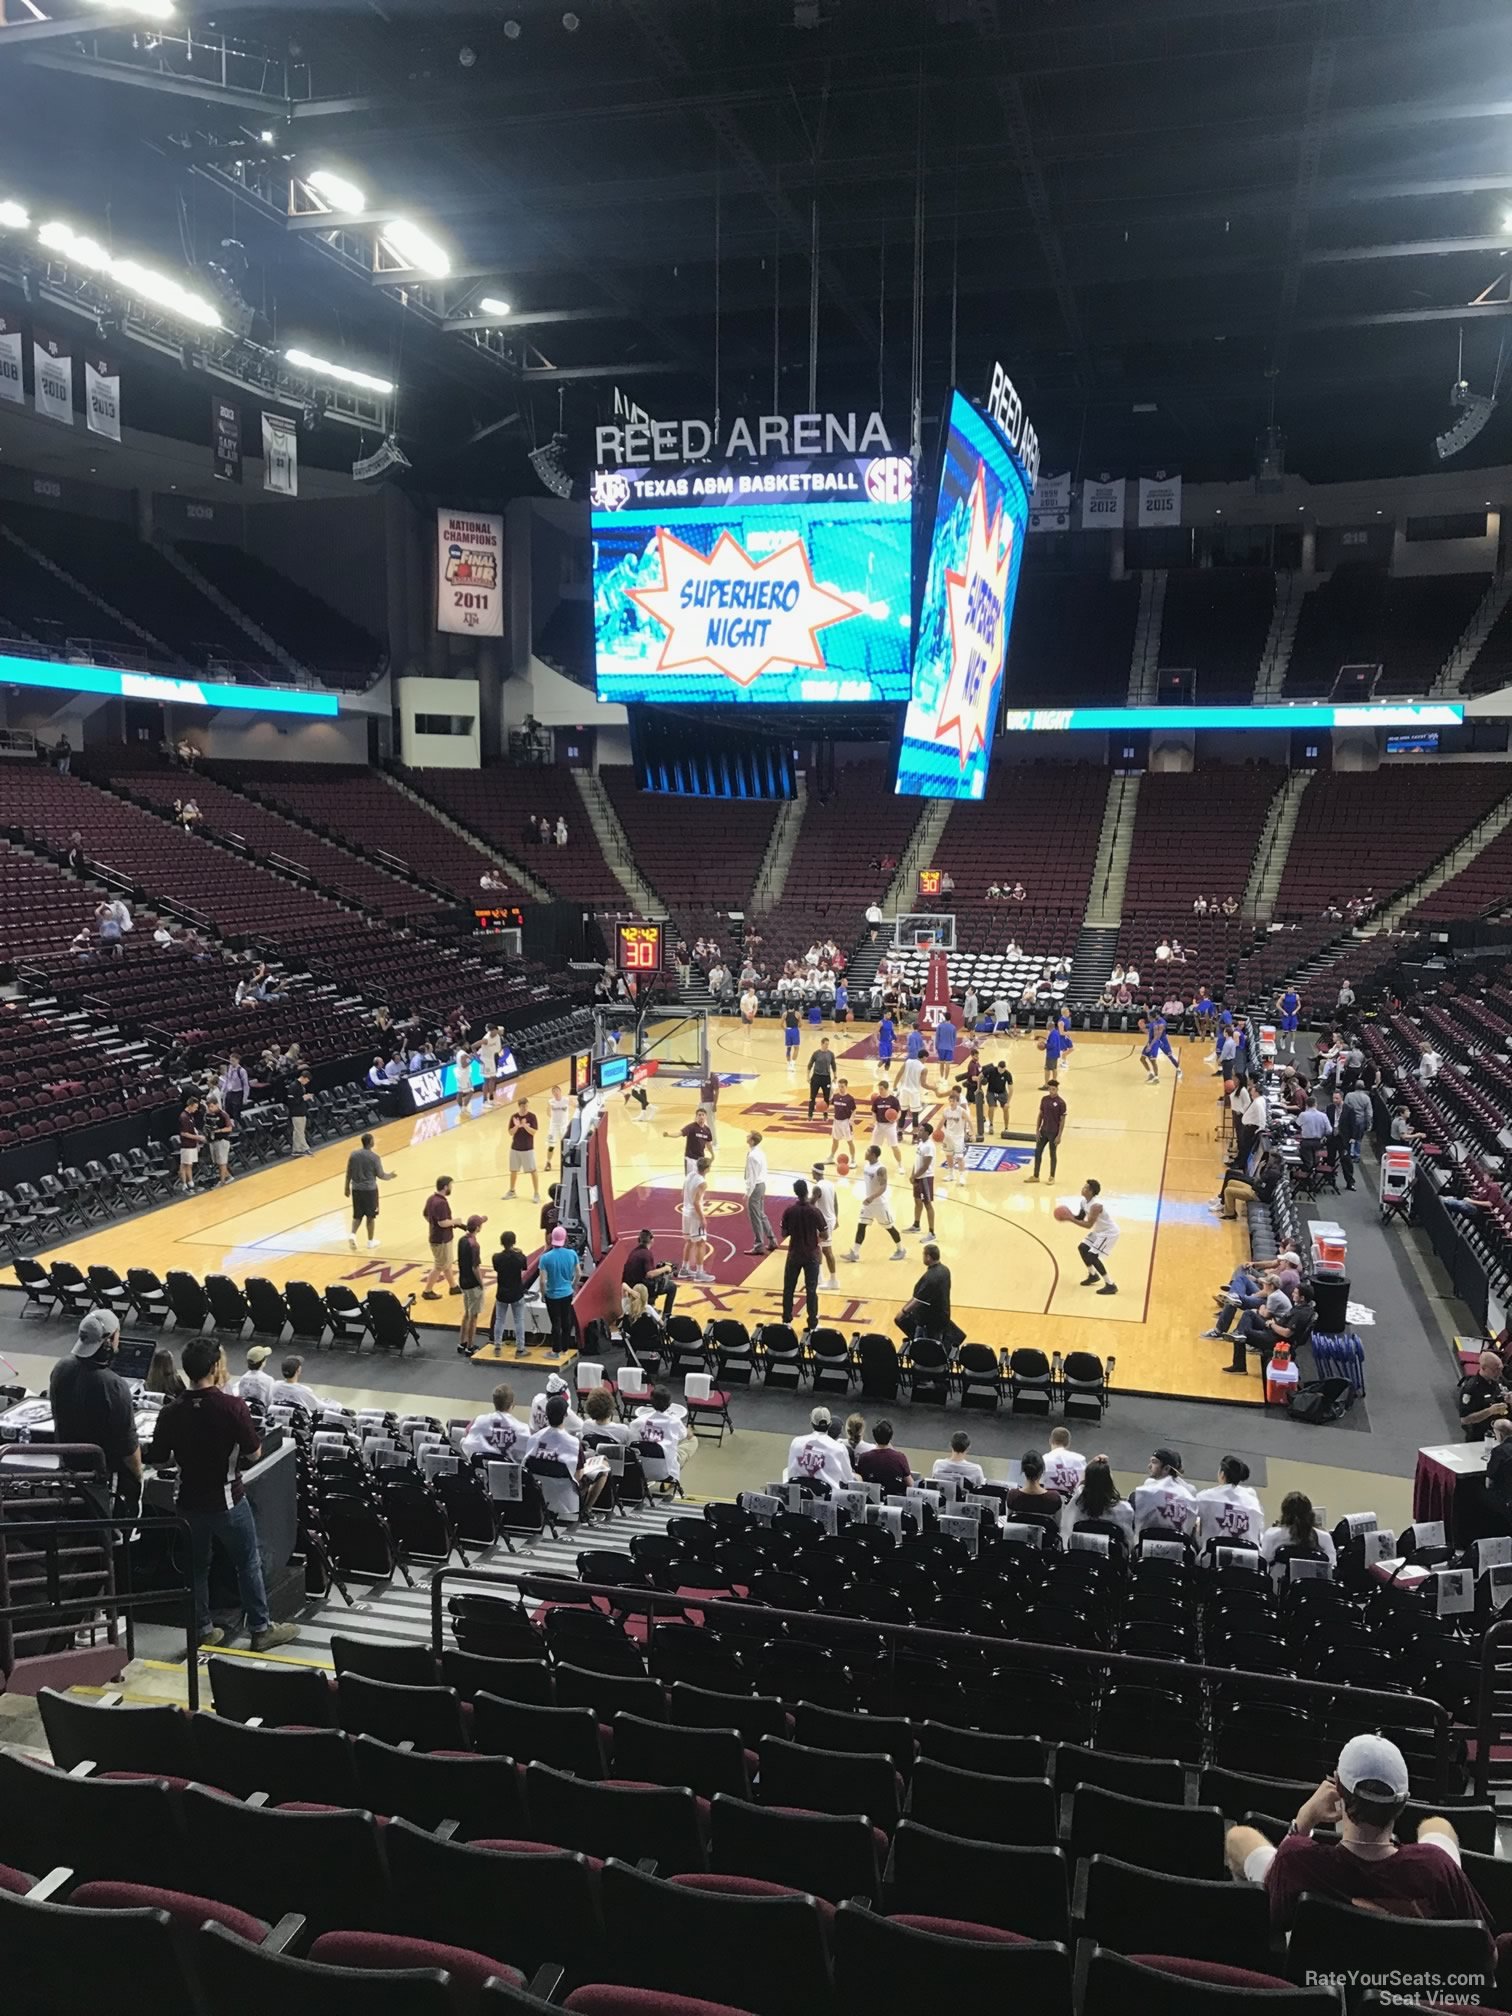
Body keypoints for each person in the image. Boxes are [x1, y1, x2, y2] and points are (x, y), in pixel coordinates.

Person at [1223, 1735, 1484, 1931]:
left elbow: (1272, 1900)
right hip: (1409, 1994)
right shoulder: (1436, 1866)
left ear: (1336, 1785)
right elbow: (1487, 1954)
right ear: (1403, 1803)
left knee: (1239, 1836)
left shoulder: (1296, 1860)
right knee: (1436, 1825)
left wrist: (1303, 1822)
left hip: (1323, 1989)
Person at [149, 1339, 299, 1652]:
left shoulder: (172, 1411)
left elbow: (160, 1457)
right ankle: (260, 1628)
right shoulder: (232, 1407)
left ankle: (204, 1629)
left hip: (188, 1503)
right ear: (216, 1367)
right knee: (247, 1562)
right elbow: (254, 1452)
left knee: (197, 1567)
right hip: (227, 1500)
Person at [49, 1311, 143, 1516]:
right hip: (104, 1482)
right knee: (111, 1538)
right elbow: (129, 1450)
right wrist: (139, 1480)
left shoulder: (60, 1368)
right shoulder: (114, 1385)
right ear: (109, 1341)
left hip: (68, 1474)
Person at [528, 1391, 607, 1519]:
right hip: (565, 1497)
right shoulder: (574, 1443)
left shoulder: (533, 1439)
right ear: (565, 1415)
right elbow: (579, 1475)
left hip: (540, 1492)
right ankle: (586, 1511)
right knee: (603, 1468)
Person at [844, 1145, 907, 1263]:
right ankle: (855, 1253)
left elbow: (883, 1187)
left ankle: (901, 1249)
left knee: (889, 1227)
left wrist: (871, 1197)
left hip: (879, 1204)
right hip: (868, 1203)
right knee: (861, 1225)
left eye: (868, 1151)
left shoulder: (881, 1169)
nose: (865, 1152)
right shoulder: (867, 1165)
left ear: (873, 1155)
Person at [780, 1178, 827, 1329]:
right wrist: (815, 1240)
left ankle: (787, 1320)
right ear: (807, 1191)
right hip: (811, 1255)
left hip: (794, 1254)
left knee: (789, 1288)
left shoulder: (789, 1210)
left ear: (795, 1192)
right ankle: (812, 1323)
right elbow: (825, 1233)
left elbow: (783, 1233)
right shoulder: (814, 1211)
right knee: (811, 1290)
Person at [1195, 1454, 1265, 1550]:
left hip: (1211, 1560)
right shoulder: (1253, 1503)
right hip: (1248, 1560)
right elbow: (1258, 1534)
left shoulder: (1205, 1497)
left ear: (1222, 1474)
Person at [1259, 1490, 1337, 1573]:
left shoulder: (1272, 1535)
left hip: (1281, 1585)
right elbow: (1332, 1567)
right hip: (1315, 1585)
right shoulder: (1324, 1537)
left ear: (1284, 1513)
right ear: (1310, 1513)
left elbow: (1263, 1564)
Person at [1130, 1447, 1198, 1537]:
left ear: (1166, 1468)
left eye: (1154, 1462)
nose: (1149, 1466)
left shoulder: (1187, 1492)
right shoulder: (1188, 1492)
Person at [344, 1132, 395, 1251]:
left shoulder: (354, 1155)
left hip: (356, 1189)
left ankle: (352, 1234)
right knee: (370, 1216)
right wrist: (390, 1176)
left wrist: (346, 1187)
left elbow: (348, 1172)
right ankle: (370, 1241)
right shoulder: (374, 1157)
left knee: (357, 1215)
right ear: (371, 1142)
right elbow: (381, 1175)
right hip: (369, 1190)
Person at [1067, 1458, 1135, 1546]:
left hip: (1082, 1556)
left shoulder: (1078, 1503)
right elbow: (1129, 1541)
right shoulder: (1125, 1509)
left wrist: (1092, 1467)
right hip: (1113, 1557)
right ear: (1109, 1481)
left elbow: (1081, 1487)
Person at [785, 1406, 854, 1488]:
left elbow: (791, 1474)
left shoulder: (796, 1442)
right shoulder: (839, 1448)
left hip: (798, 1496)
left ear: (811, 1423)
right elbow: (848, 1480)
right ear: (830, 1424)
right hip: (827, 1499)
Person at [1072, 1177, 1120, 1296]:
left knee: (1092, 1256)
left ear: (1091, 1191)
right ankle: (1093, 1275)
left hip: (1109, 1232)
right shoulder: (1084, 1202)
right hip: (1099, 1231)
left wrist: (1068, 1219)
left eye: (1086, 1188)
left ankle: (1110, 1285)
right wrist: (1068, 1215)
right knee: (1082, 1248)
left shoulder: (1096, 1206)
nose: (1083, 1188)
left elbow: (1088, 1225)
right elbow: (1080, 1217)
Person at [898, 1240, 951, 1343]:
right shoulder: (945, 1270)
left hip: (929, 1322)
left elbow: (918, 1300)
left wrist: (902, 1312)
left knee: (924, 1345)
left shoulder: (930, 1278)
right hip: (942, 1315)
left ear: (928, 1257)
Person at [538, 1225, 580, 1355]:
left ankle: (556, 1350)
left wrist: (543, 1294)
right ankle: (565, 1348)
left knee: (555, 1322)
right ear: (565, 1239)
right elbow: (578, 1273)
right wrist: (572, 1286)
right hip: (567, 1293)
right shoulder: (572, 1254)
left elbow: (542, 1280)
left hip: (552, 1295)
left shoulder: (545, 1258)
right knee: (566, 1320)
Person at [635, 1384, 694, 1472]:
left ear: (651, 1401)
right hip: (667, 1470)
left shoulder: (637, 1422)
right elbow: (684, 1436)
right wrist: (687, 1431)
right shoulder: (675, 1422)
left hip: (642, 1468)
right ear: (669, 1403)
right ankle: (677, 1469)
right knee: (693, 1440)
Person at [1458, 1348, 1511, 1441]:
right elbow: (1465, 1420)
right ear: (1483, 1368)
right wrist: (1489, 1411)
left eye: (1500, 1369)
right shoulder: (1472, 1388)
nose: (1499, 1373)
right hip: (1482, 1437)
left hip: (1504, 1434)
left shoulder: (1500, 1380)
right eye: (1495, 1370)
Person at [421, 1175, 460, 1300]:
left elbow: (425, 1215)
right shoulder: (441, 1203)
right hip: (441, 1239)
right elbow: (442, 1223)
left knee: (446, 1264)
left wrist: (433, 1225)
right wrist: (455, 1221)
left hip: (437, 1236)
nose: (451, 1188)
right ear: (445, 1187)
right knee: (439, 1266)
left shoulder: (431, 1199)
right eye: (450, 1186)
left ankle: (453, 1286)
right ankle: (427, 1290)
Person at [456, 1214, 489, 1358]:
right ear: (477, 1228)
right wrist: (482, 1284)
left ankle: (461, 1342)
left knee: (466, 1312)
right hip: (472, 1283)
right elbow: (475, 1267)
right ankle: (470, 1346)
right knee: (474, 1316)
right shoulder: (474, 1245)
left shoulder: (462, 1240)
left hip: (463, 1280)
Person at [679, 1154, 714, 1284]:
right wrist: (702, 1218)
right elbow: (696, 1202)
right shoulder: (702, 1182)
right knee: (701, 1242)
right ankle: (699, 1272)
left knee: (689, 1241)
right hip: (694, 1215)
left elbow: (682, 1193)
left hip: (685, 1213)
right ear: (707, 1169)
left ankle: (684, 1269)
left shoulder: (689, 1176)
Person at [809, 1162, 841, 1294]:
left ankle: (833, 1280)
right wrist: (837, 1218)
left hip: (824, 1222)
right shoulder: (830, 1184)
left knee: (827, 1251)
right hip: (830, 1219)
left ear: (815, 1173)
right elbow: (835, 1202)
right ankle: (820, 1277)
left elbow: (811, 1203)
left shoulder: (817, 1188)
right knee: (818, 1248)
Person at [743, 1131, 777, 1256]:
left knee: (755, 1217)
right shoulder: (760, 1152)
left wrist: (748, 1193)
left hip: (755, 1186)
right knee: (761, 1214)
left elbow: (752, 1176)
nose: (746, 1137)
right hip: (762, 1184)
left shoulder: (752, 1156)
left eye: (748, 1136)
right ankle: (772, 1239)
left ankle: (758, 1245)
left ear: (752, 1141)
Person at [855, 1420, 913, 1492]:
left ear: (874, 1436)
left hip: (870, 1500)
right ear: (891, 1436)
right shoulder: (900, 1457)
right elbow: (911, 1485)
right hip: (893, 1501)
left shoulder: (863, 1458)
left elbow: (859, 1482)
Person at [1005, 1450, 1062, 1519]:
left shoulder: (1012, 1496)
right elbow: (1058, 1528)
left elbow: (1009, 1525)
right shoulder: (1054, 1498)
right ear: (1042, 1470)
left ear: (1023, 1470)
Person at [1027, 1085, 1065, 1183]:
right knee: (1038, 1152)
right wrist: (1037, 1129)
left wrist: (1059, 1135)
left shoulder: (1061, 1103)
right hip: (1044, 1131)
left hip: (1053, 1132)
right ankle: (1036, 1176)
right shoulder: (1044, 1099)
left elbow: (1062, 1120)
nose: (1052, 1091)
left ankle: (1052, 1177)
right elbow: (1040, 1115)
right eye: (1050, 1089)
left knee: (1052, 1153)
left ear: (1057, 1089)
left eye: (1054, 1089)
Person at [506, 1100, 540, 1201]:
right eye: (523, 1106)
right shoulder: (514, 1117)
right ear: (519, 1106)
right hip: (515, 1148)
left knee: (533, 1171)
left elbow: (534, 1132)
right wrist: (517, 1125)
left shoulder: (532, 1117)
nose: (525, 1108)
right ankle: (512, 1191)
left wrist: (524, 1125)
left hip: (528, 1148)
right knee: (513, 1170)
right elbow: (510, 1132)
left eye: (526, 1106)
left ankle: (536, 1193)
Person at [1042, 1425, 1086, 1501]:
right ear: (1068, 1443)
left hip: (1048, 1504)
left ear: (1050, 1440)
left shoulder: (1044, 1459)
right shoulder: (1080, 1460)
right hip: (1074, 1505)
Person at [870, 1077, 904, 1169]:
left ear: (886, 1089)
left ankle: (900, 1165)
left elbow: (899, 1112)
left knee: (894, 1146)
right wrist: (873, 1122)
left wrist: (896, 1118)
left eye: (881, 1089)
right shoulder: (877, 1100)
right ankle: (873, 1163)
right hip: (879, 1125)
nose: (879, 1091)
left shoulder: (893, 1100)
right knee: (873, 1146)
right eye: (879, 1089)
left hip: (890, 1126)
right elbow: (874, 1112)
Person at [176, 1095, 204, 1193]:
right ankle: (186, 1185)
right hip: (186, 1144)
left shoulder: (190, 1115)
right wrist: (198, 1138)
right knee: (185, 1165)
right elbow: (184, 1133)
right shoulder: (183, 1117)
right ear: (190, 1105)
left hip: (192, 1144)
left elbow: (193, 1130)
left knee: (189, 1165)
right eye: (195, 1107)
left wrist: (197, 1142)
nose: (196, 1109)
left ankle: (190, 1184)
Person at [204, 1097, 235, 1186]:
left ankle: (222, 1181)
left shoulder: (223, 1114)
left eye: (212, 1106)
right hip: (213, 1140)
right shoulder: (208, 1116)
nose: (210, 1109)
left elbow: (229, 1128)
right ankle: (228, 1176)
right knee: (217, 1162)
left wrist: (219, 1130)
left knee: (222, 1162)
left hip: (222, 1140)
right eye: (209, 1107)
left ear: (217, 1104)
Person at [827, 1078, 858, 1166]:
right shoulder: (835, 1096)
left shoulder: (849, 1098)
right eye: (839, 1086)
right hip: (836, 1121)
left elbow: (854, 1110)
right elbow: (835, 1107)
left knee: (850, 1141)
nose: (841, 1088)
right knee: (835, 1140)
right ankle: (831, 1157)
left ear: (846, 1086)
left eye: (842, 1087)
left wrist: (852, 1119)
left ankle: (853, 1160)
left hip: (846, 1122)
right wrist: (827, 1109)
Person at [981, 1055, 1012, 1139]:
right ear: (997, 1067)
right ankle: (991, 1125)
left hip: (1002, 1093)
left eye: (1003, 1069)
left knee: (1005, 1109)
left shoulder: (1007, 1074)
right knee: (991, 1108)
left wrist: (1008, 1102)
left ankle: (1006, 1128)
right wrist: (978, 1087)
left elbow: (1011, 1089)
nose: (1001, 1071)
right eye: (1000, 1069)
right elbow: (981, 1075)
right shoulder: (991, 1070)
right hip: (991, 1092)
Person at [237, 1344, 275, 1412]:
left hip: (245, 1411)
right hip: (261, 1413)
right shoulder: (268, 1380)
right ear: (263, 1362)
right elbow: (270, 1401)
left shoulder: (243, 1378)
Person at [807, 1037, 836, 1120]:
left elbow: (833, 1065)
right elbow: (810, 1065)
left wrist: (835, 1076)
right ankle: (810, 1114)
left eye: (828, 1044)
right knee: (812, 1097)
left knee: (826, 1097)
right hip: (816, 1077)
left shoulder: (831, 1054)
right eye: (826, 1044)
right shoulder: (816, 1053)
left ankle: (825, 1115)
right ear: (822, 1044)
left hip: (826, 1078)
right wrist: (808, 1076)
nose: (827, 1046)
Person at [285, 1071, 313, 1158]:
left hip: (301, 1110)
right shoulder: (293, 1086)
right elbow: (291, 1101)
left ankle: (296, 1150)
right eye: (307, 1081)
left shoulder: (300, 1085)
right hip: (296, 1112)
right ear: (303, 1078)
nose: (307, 1083)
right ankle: (305, 1148)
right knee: (300, 1132)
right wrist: (303, 1098)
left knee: (298, 1132)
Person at [217, 1051, 250, 1120]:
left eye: (233, 1060)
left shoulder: (241, 1071)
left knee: (236, 1113)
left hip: (238, 1093)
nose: (231, 1062)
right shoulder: (229, 1068)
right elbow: (227, 1080)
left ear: (238, 1061)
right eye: (230, 1060)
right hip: (230, 1092)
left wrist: (245, 1098)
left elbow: (246, 1085)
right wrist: (223, 1091)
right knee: (228, 1111)